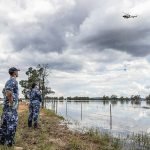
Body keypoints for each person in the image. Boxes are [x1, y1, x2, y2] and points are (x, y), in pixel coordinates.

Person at [0, 67, 20, 146]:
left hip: (6, 108)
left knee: (4, 125)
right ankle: (9, 144)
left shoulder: (8, 81)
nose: (18, 73)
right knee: (11, 125)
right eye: (17, 71)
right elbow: (8, 92)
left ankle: (2, 142)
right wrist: (11, 104)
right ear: (14, 72)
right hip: (10, 109)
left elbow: (5, 92)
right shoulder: (13, 81)